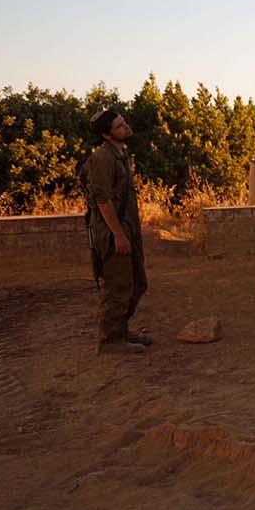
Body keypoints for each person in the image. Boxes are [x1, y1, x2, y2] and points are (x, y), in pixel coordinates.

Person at [85, 108, 151, 354]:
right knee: (118, 284)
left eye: (124, 122)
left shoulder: (120, 154)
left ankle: (120, 330)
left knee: (137, 282)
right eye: (119, 126)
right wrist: (118, 235)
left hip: (127, 226)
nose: (126, 127)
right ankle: (110, 340)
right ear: (106, 135)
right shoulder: (103, 157)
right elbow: (102, 199)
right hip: (113, 230)